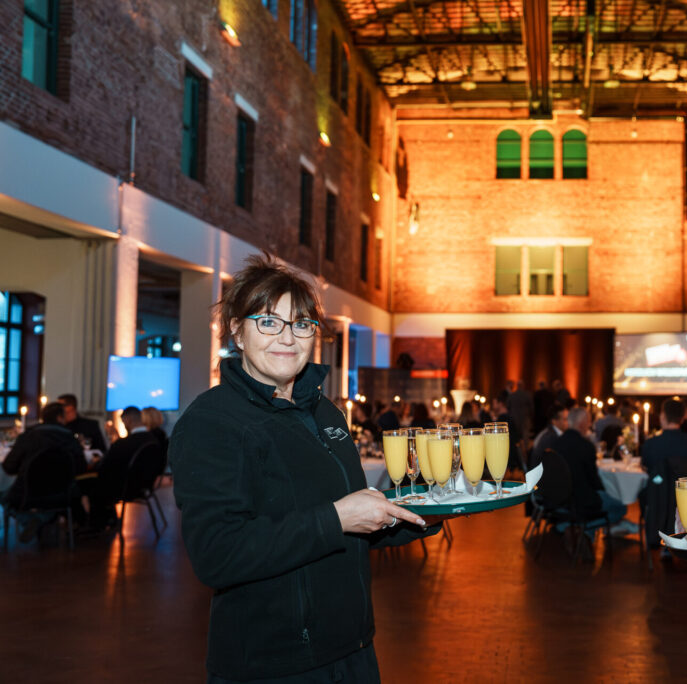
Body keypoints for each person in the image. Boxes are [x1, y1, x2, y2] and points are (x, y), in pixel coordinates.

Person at [170, 254, 438, 682]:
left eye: (301, 324)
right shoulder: (212, 422)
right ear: (237, 331)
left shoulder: (325, 412)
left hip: (352, 649)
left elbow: (351, 527)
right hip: (274, 664)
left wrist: (434, 506)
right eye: (268, 321)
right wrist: (337, 518)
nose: (287, 338)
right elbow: (217, 553)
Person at [2, 402, 87, 541]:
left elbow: (8, 467)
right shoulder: (69, 437)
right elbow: (81, 467)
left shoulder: (28, 436)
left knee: (3, 495)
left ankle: (29, 519)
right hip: (63, 494)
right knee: (58, 499)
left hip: (27, 493)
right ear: (60, 418)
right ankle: (42, 518)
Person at [85, 406, 160, 529]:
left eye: (123, 422)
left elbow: (105, 468)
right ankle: (109, 519)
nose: (124, 425)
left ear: (128, 420)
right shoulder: (153, 440)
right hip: (145, 486)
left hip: (124, 488)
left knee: (90, 483)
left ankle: (96, 525)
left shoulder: (124, 444)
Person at [553, 407, 628, 527]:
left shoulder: (555, 444)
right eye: (589, 422)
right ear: (582, 424)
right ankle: (585, 529)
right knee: (621, 507)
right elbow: (594, 481)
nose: (590, 425)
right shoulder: (586, 447)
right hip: (581, 500)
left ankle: (572, 527)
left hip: (558, 499)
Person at [641, 398, 687, 549]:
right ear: (682, 418)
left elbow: (648, 469)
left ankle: (653, 531)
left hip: (657, 497)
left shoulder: (650, 444)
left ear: (663, 416)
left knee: (642, 491)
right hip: (684, 499)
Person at [530, 403, 568, 469]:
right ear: (554, 421)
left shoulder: (549, 432)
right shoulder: (551, 438)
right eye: (565, 419)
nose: (568, 422)